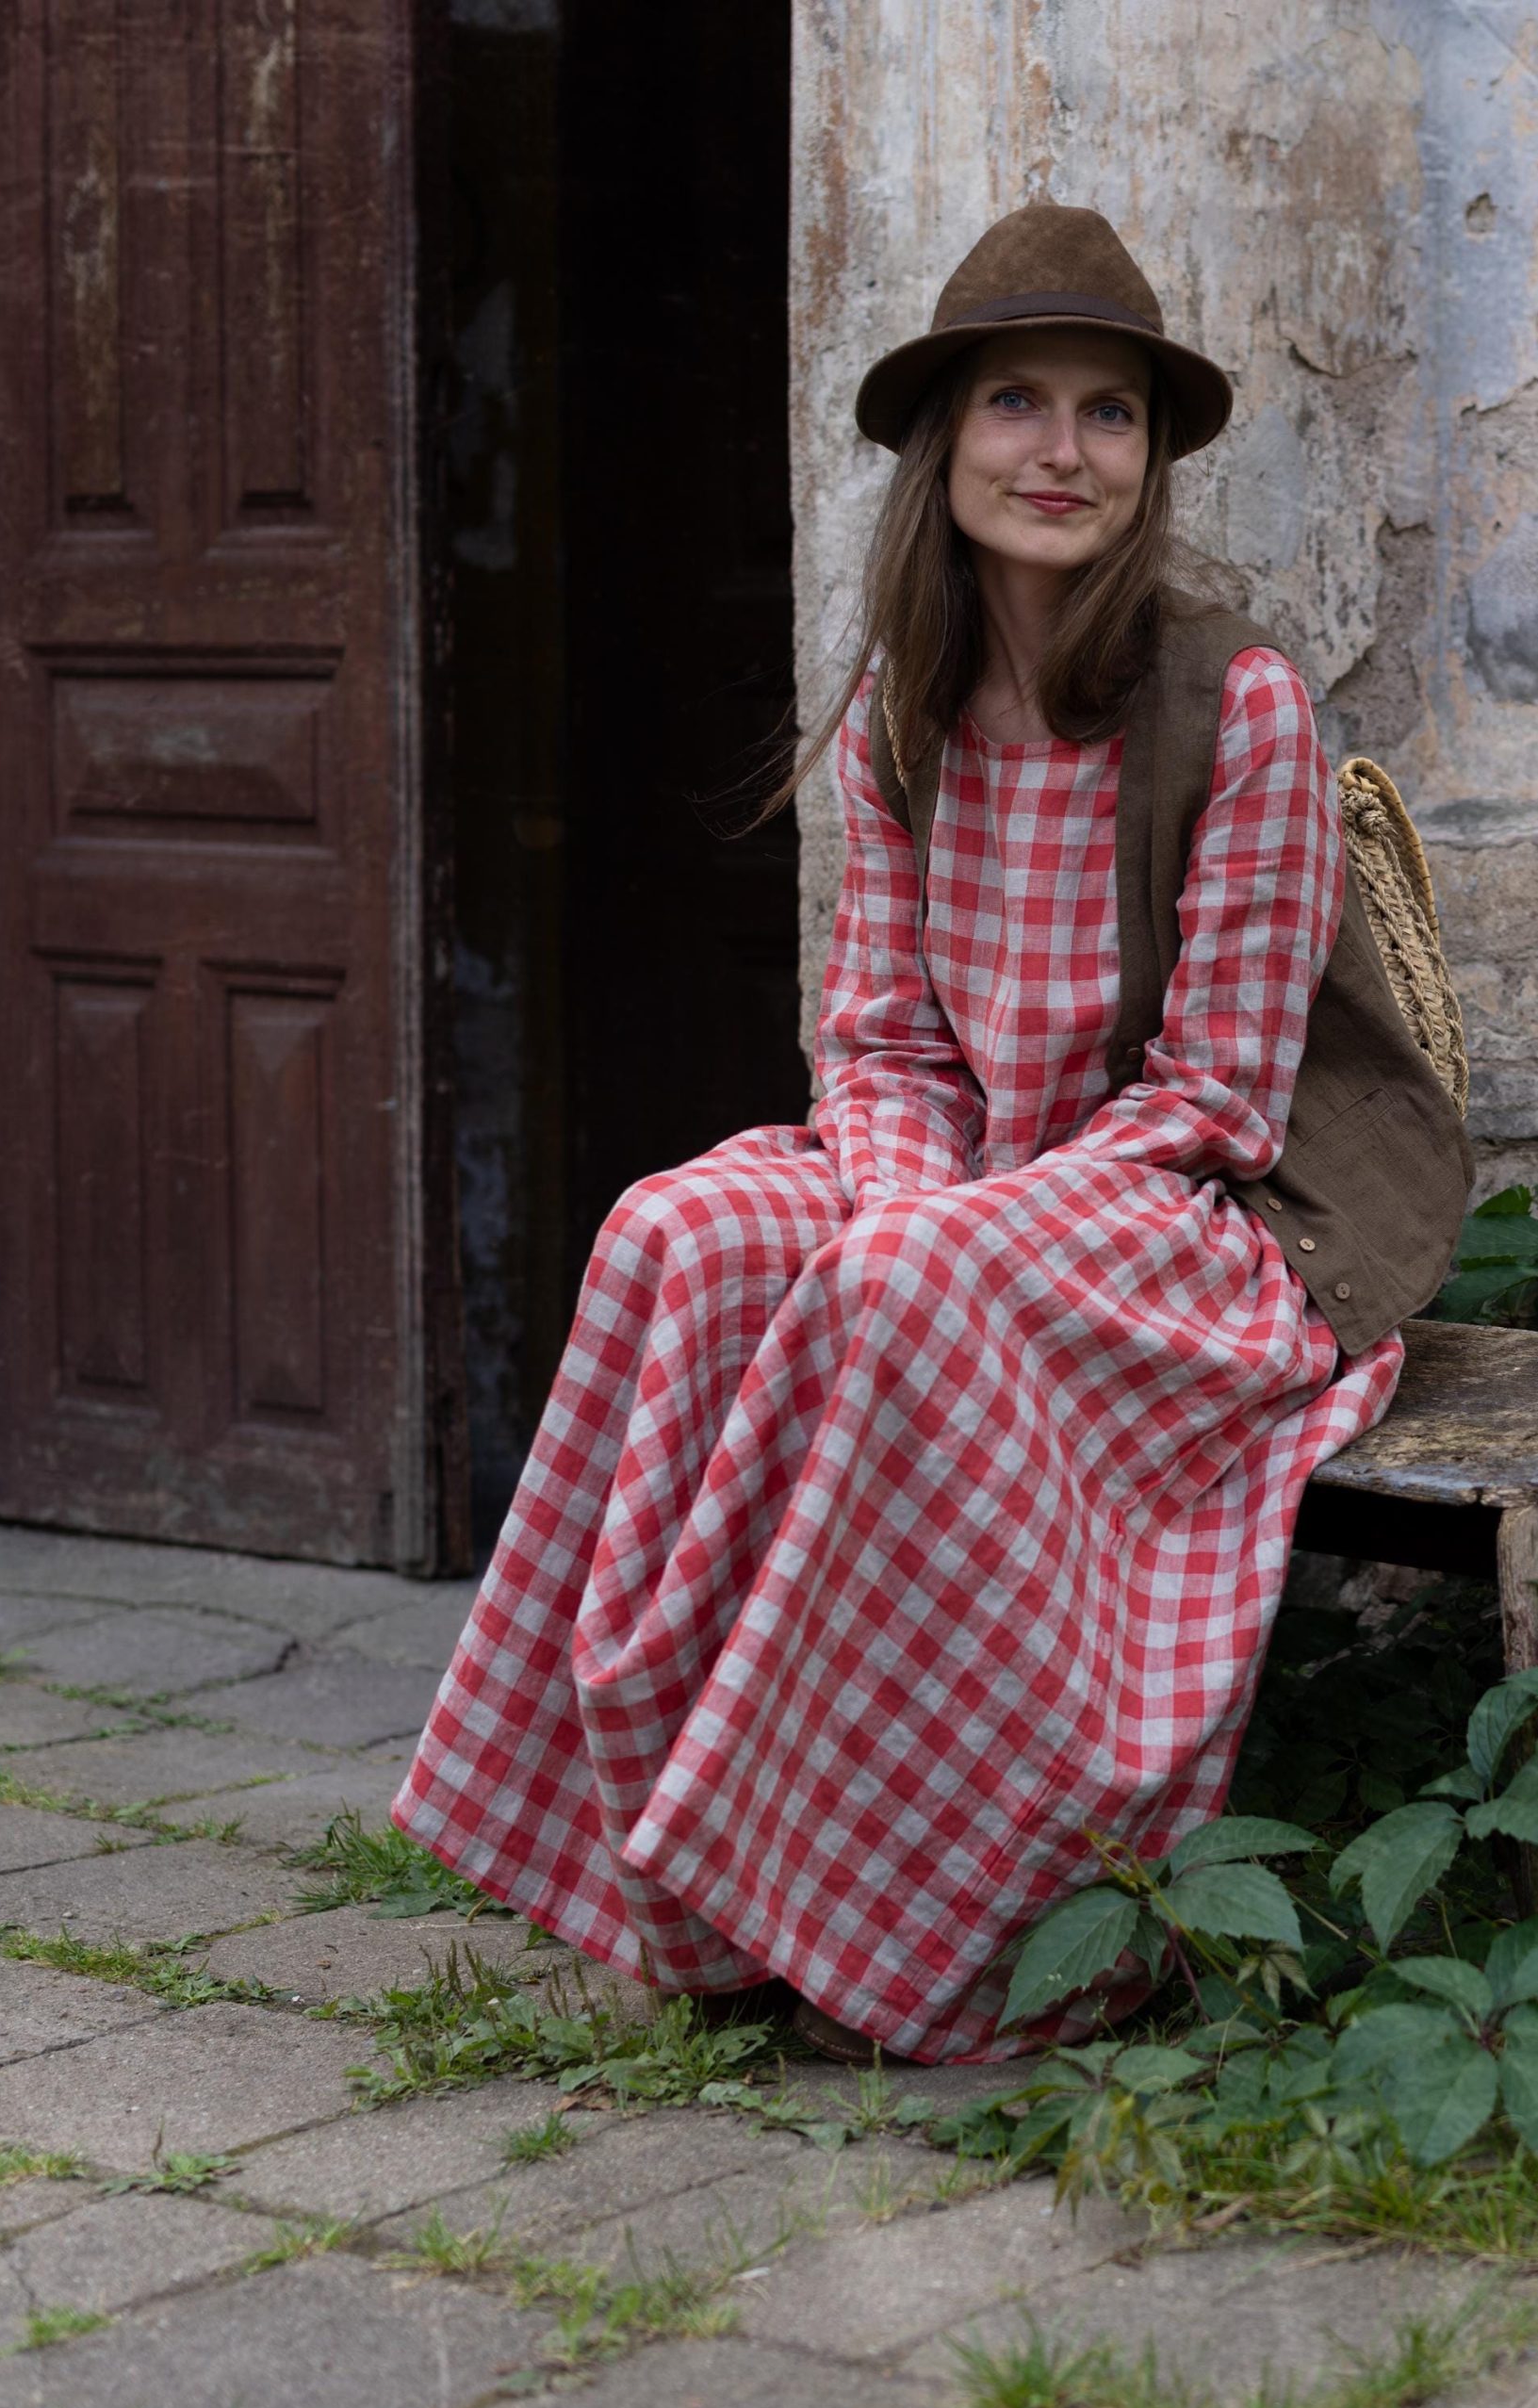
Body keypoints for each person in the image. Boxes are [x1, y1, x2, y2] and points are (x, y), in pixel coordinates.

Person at [393, 204, 1471, 2066]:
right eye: (1014, 403)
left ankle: (900, 1924)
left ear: (1146, 457)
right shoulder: (900, 706)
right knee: (677, 1228)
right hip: (965, 1177)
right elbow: (878, 1032)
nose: (1062, 451)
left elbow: (1215, 1093)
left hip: (1208, 1211)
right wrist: (900, 1198)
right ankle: (655, 1866)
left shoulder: (1235, 708)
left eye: (1108, 414)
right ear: (940, 443)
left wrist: (938, 1233)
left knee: (899, 1272)